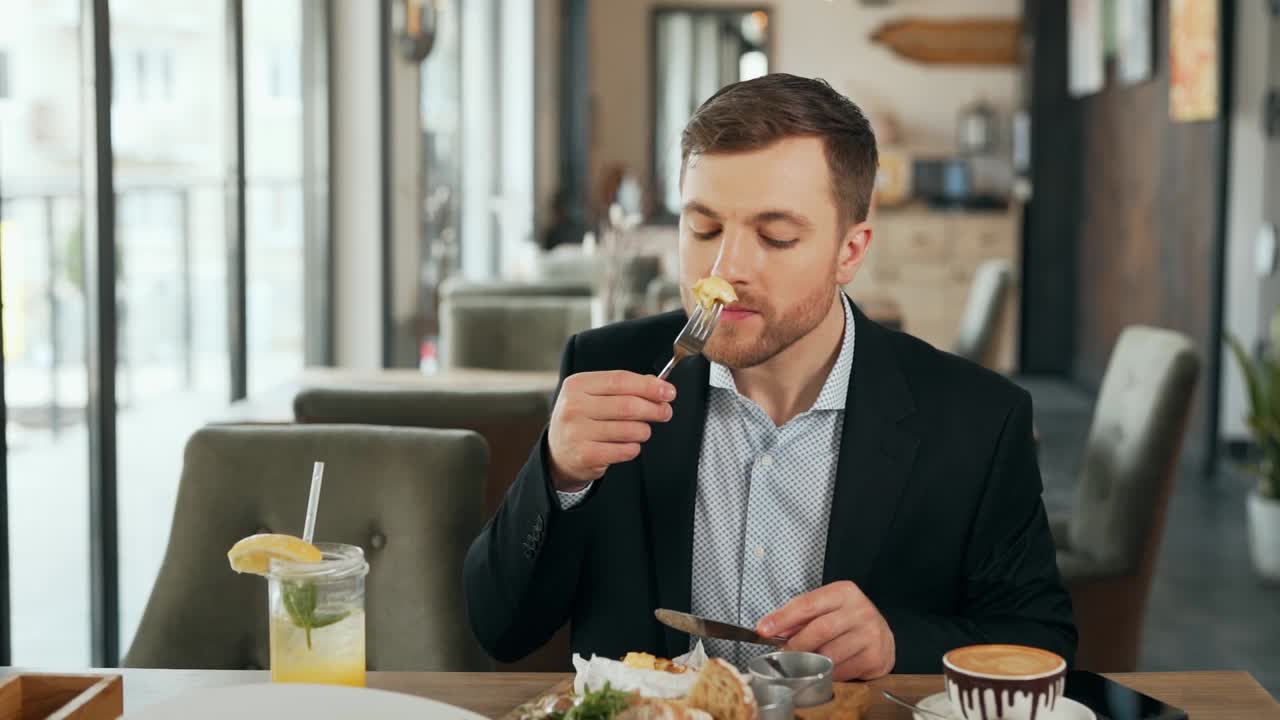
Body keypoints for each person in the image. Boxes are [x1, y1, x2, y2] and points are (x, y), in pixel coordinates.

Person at [463, 73, 1075, 679]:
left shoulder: (976, 420)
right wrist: (557, 473)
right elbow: (502, 630)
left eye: (776, 236)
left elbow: (1041, 641)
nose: (727, 268)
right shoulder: (607, 372)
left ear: (851, 251)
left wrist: (897, 645)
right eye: (703, 228)